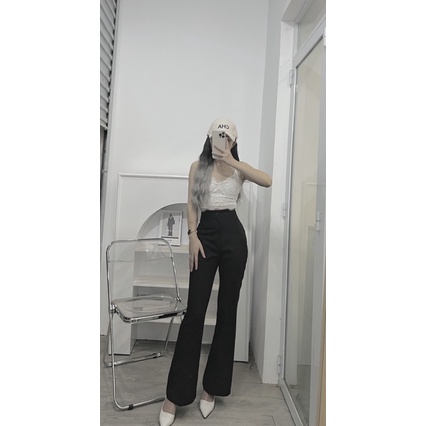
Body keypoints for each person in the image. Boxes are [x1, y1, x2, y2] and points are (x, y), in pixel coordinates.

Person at [159, 117, 272, 426]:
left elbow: (267, 181)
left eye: (227, 137)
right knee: (195, 313)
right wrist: (192, 236)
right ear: (209, 137)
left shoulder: (238, 168)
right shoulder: (198, 167)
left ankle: (212, 388)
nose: (221, 140)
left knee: (227, 310)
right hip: (205, 235)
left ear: (233, 141)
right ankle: (175, 395)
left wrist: (233, 161)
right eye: (217, 136)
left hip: (233, 237)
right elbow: (191, 204)